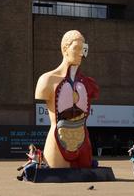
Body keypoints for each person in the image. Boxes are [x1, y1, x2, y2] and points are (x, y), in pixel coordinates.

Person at [35, 30, 99, 168]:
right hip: (57, 140)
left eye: (83, 49)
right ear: (65, 49)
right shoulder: (47, 80)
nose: (81, 53)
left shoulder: (88, 83)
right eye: (76, 48)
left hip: (83, 140)